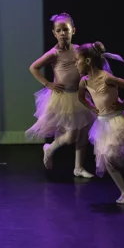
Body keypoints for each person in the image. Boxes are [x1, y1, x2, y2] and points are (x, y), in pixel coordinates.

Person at [25, 13, 95, 178]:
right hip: (63, 98)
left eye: (66, 29)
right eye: (59, 30)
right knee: (70, 136)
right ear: (54, 33)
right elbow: (33, 67)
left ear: (73, 31)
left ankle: (78, 167)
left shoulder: (78, 50)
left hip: (79, 96)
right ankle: (50, 148)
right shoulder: (53, 53)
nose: (63, 33)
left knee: (83, 133)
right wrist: (48, 83)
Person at [76, 41, 124, 204]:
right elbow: (81, 97)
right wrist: (92, 107)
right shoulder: (84, 81)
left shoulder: (106, 77)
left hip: (116, 120)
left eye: (77, 60)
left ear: (87, 61)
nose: (75, 63)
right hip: (102, 123)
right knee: (107, 160)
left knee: (112, 154)